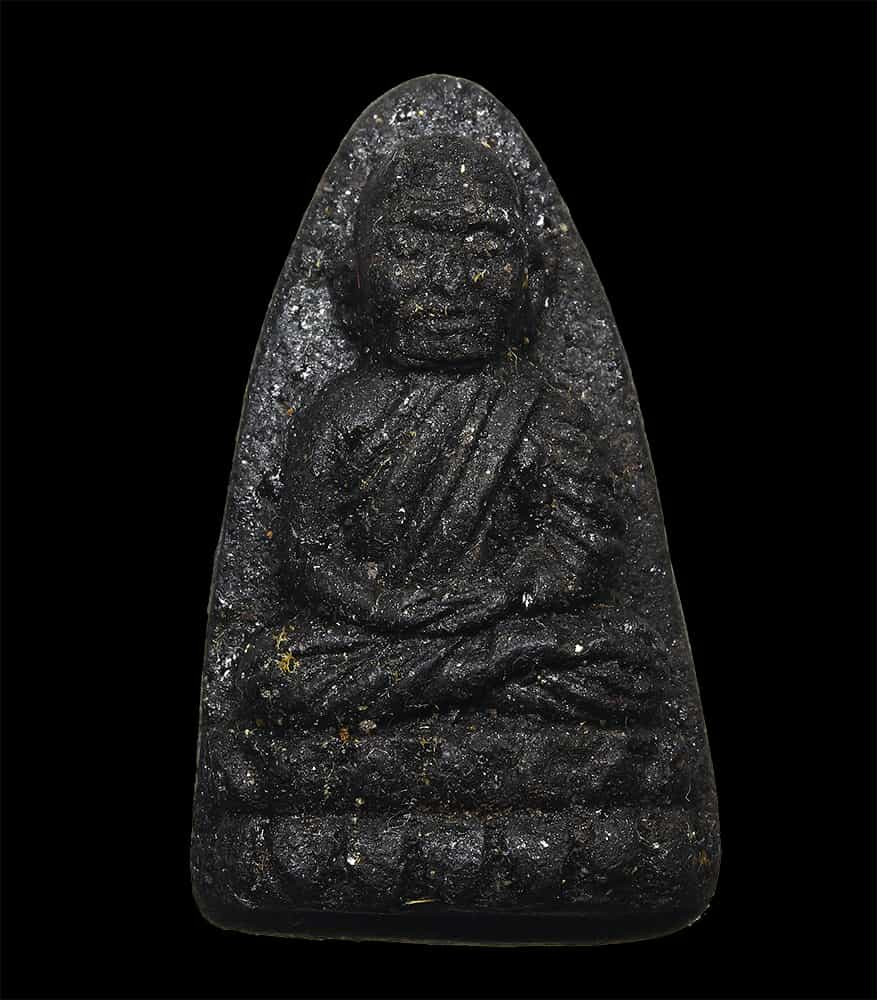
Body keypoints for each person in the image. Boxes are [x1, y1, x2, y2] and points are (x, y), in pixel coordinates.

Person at [236, 135, 667, 730]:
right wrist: (386, 607)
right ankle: (479, 679)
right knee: (275, 672)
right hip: (382, 634)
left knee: (629, 663)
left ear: (533, 276)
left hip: (498, 624)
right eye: (412, 251)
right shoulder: (339, 413)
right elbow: (308, 556)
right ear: (352, 276)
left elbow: (585, 544)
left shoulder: (541, 411)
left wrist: (502, 595)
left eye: (484, 250)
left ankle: (455, 681)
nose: (448, 281)